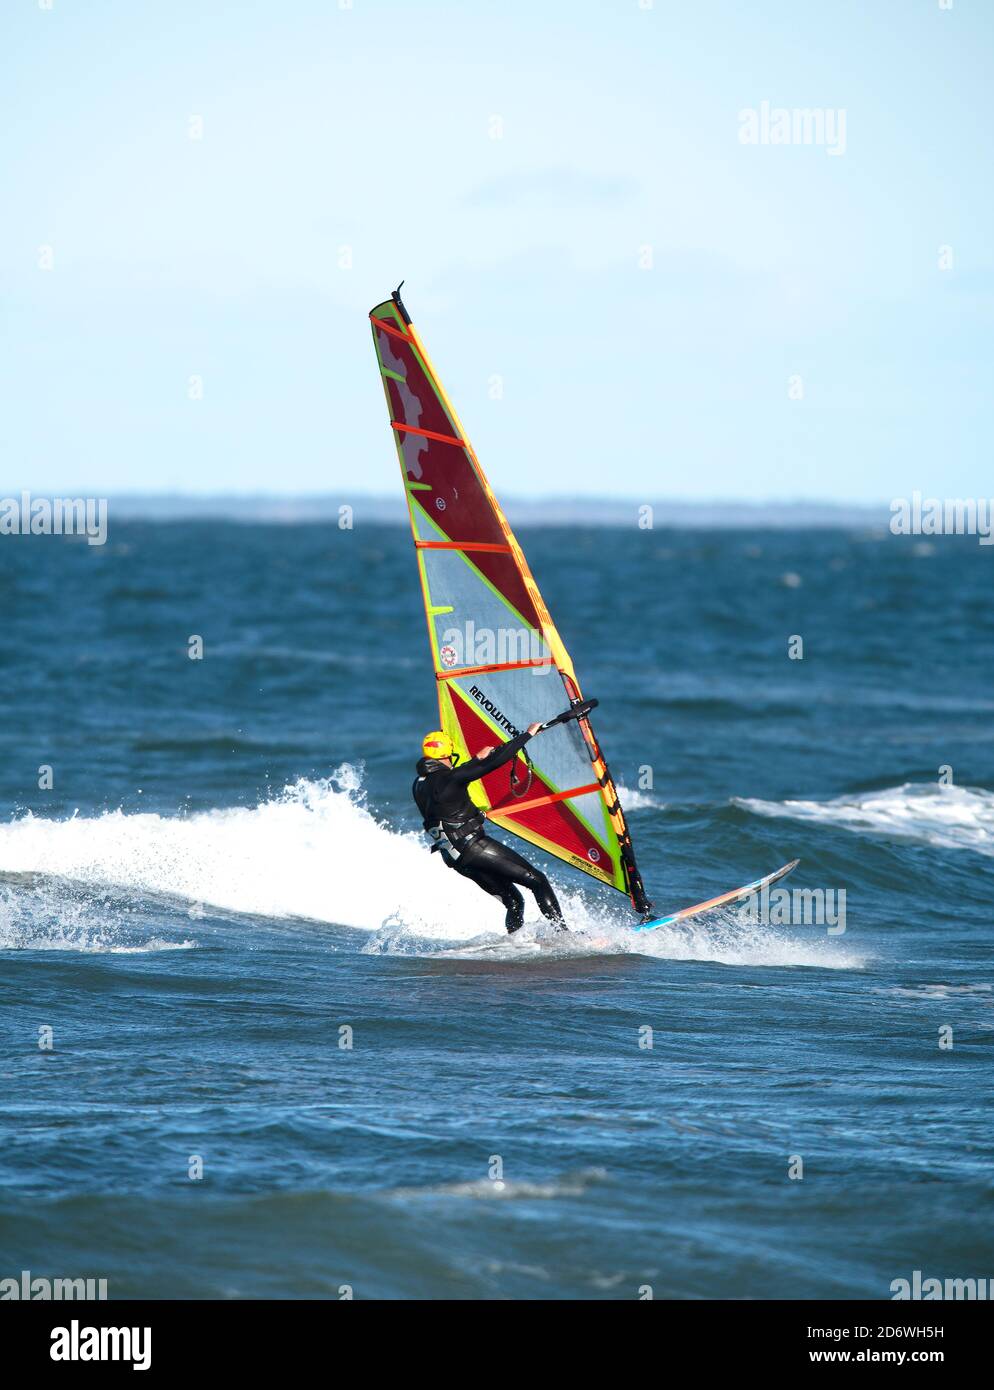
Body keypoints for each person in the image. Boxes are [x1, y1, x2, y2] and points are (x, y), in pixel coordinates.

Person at [413, 726, 567, 933]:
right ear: (448, 755)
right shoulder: (452, 778)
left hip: (453, 857)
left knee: (514, 902)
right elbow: (496, 761)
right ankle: (565, 934)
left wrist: (476, 761)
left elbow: (447, 801)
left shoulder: (418, 785)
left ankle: (515, 944)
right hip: (473, 848)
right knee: (537, 880)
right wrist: (527, 735)